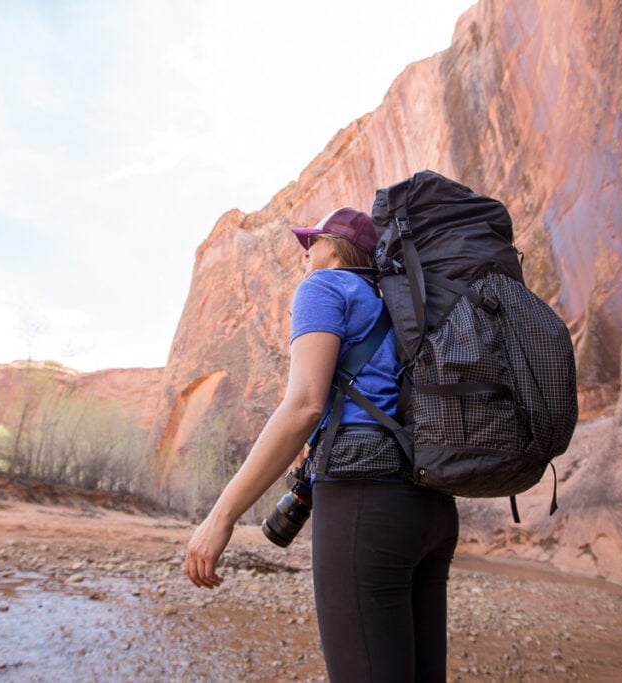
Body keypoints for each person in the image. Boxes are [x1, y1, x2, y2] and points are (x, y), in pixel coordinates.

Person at [184, 207, 459, 682]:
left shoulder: (324, 287)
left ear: (332, 246)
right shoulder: (402, 304)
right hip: (432, 506)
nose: (305, 254)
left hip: (364, 503)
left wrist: (220, 516)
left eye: (311, 243)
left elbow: (304, 406)